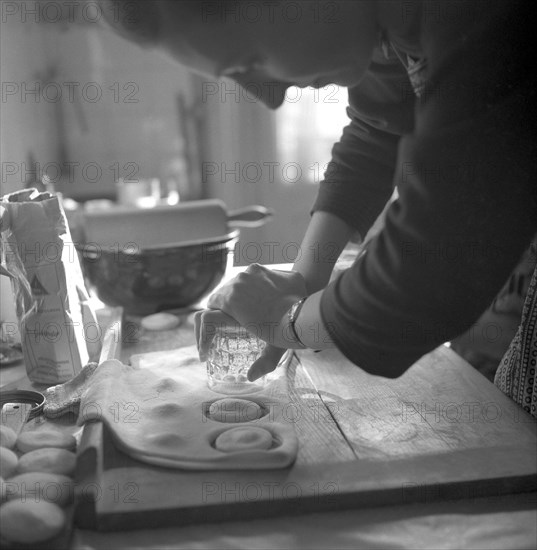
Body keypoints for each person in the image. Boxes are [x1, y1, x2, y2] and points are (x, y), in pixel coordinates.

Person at [99, 0, 537, 417]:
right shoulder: (388, 25)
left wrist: (288, 321)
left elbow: (428, 270)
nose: (268, 98)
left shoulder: (476, 16)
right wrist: (303, 281)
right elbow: (377, 127)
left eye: (247, 62)